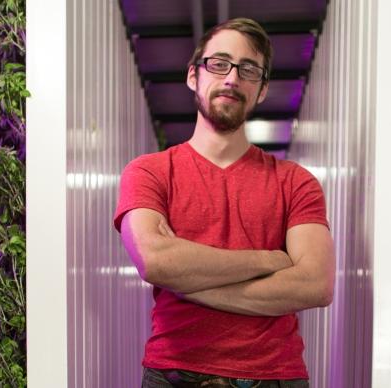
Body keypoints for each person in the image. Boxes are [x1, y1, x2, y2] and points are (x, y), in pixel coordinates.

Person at [114, 17, 335, 388]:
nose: (232, 78)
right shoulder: (149, 172)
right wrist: (269, 260)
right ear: (192, 76)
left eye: (248, 69)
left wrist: (186, 279)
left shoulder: (296, 182)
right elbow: (155, 260)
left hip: (274, 378)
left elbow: (315, 284)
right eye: (219, 64)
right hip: (173, 375)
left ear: (261, 90)